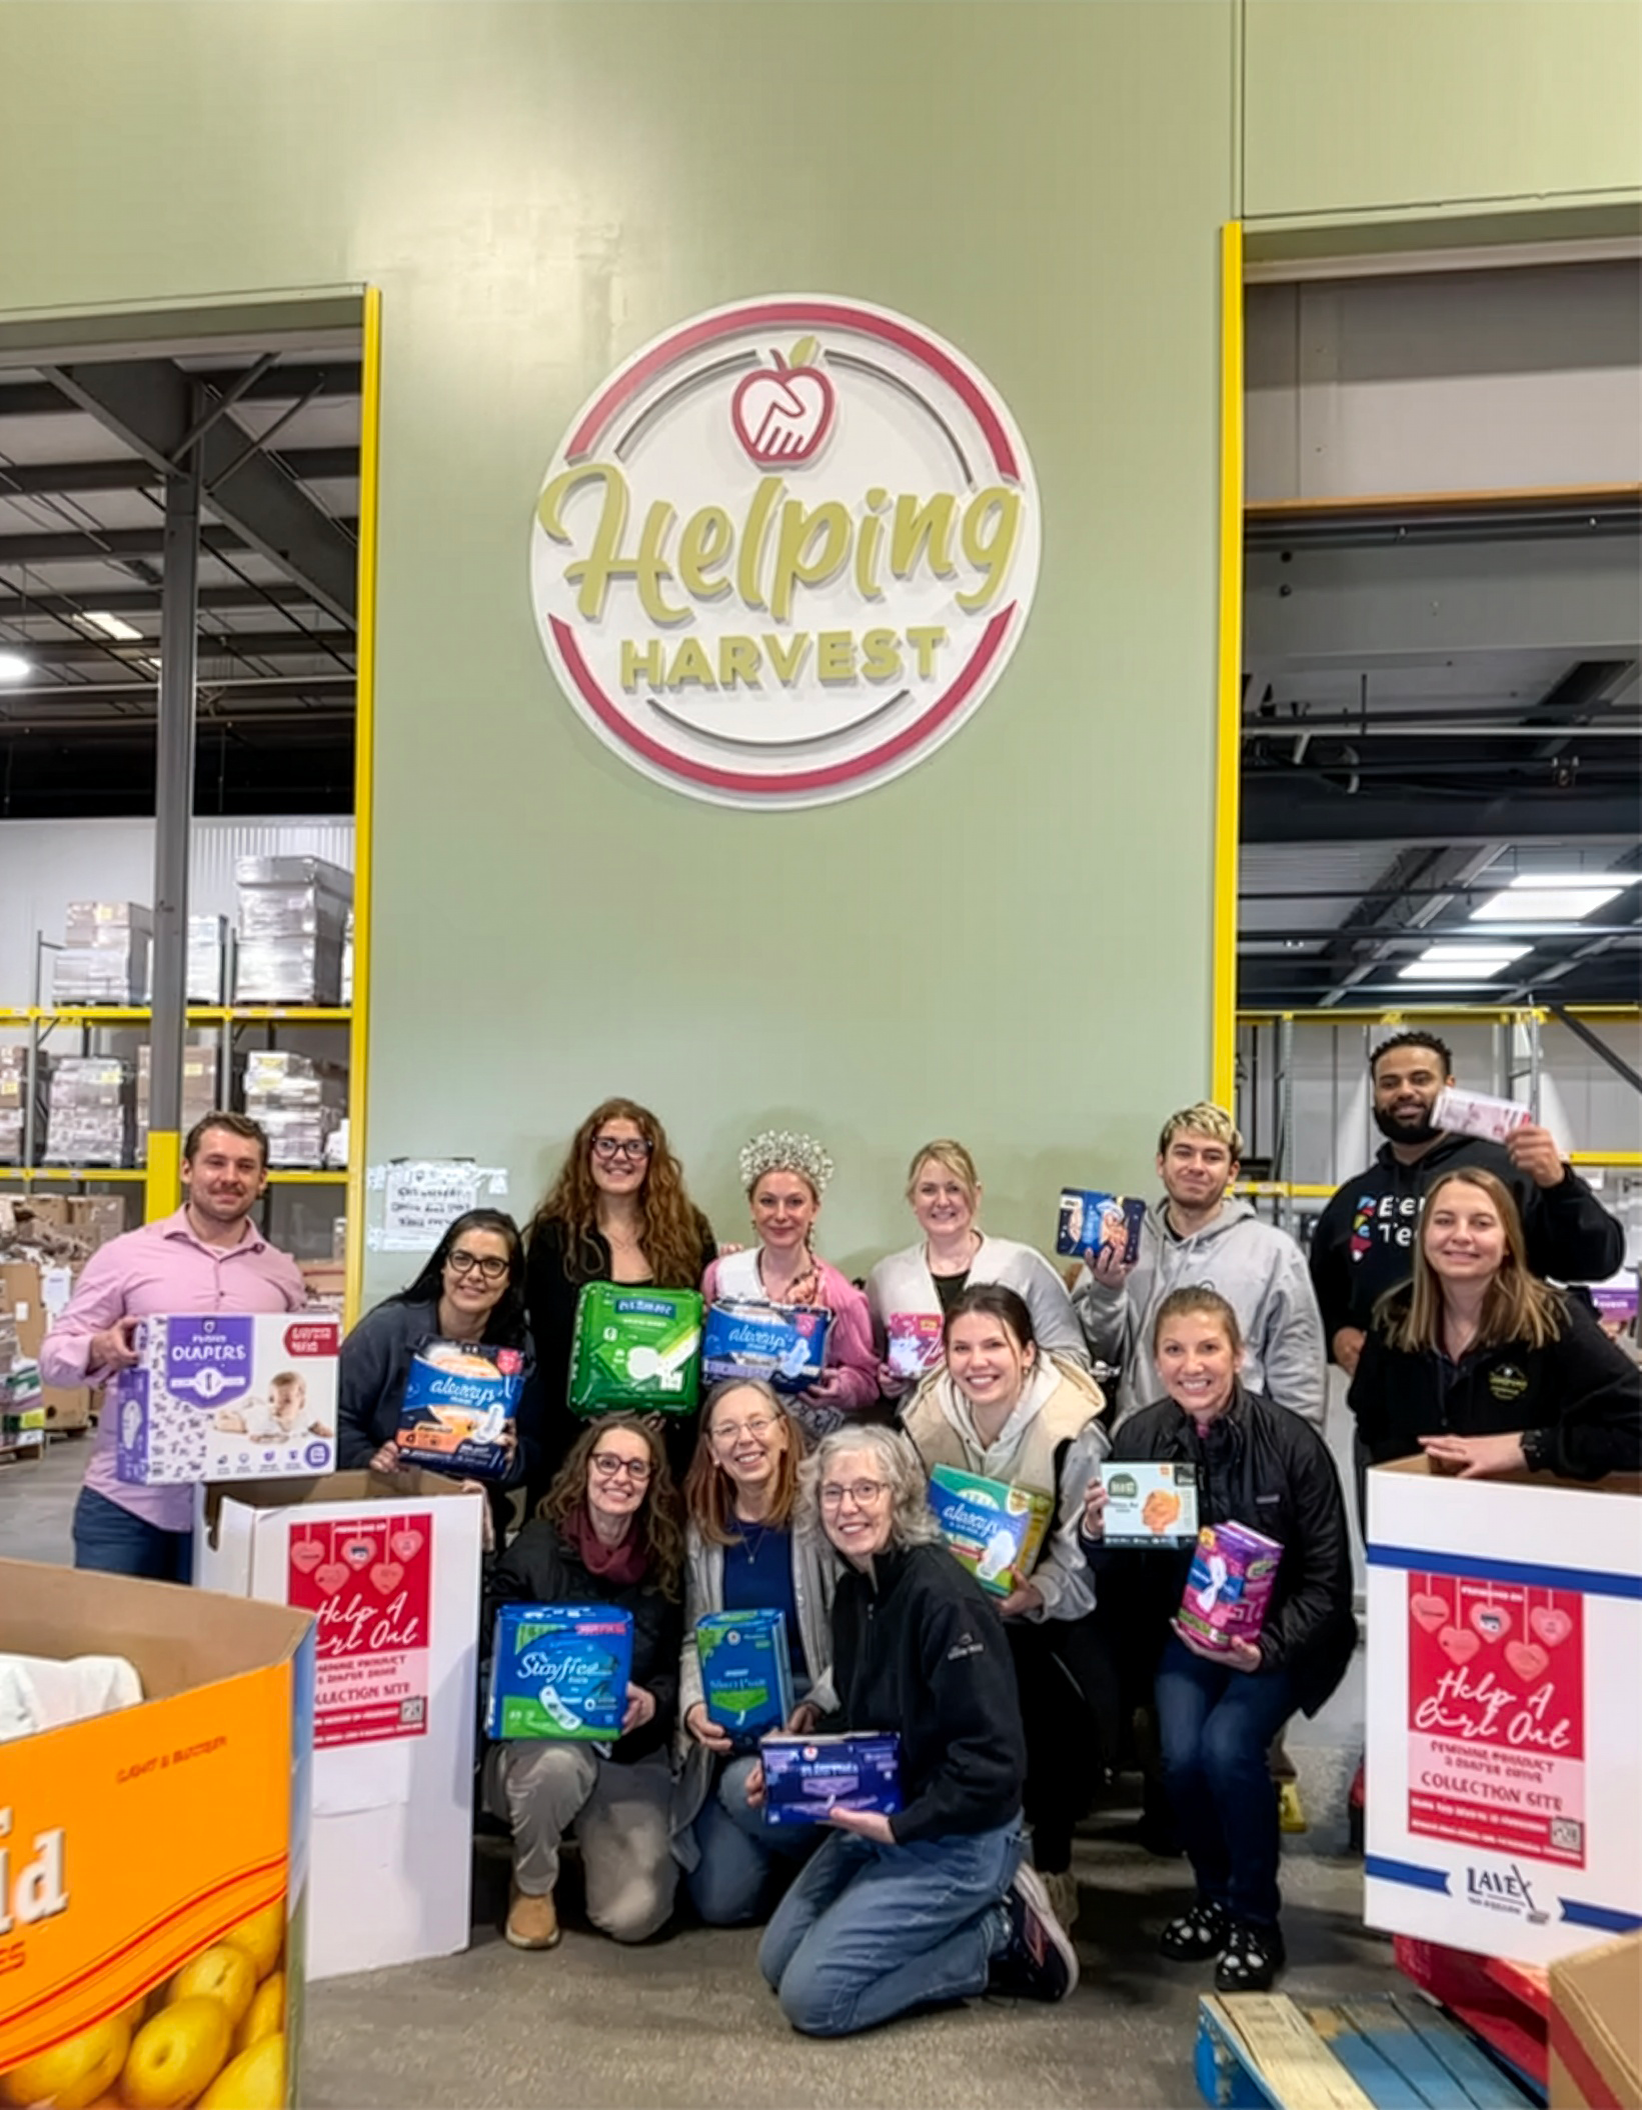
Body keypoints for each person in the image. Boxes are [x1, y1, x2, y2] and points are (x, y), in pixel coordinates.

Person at [753, 1423, 1077, 2037]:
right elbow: (866, 1723)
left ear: (900, 1497)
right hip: (891, 1815)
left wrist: (901, 1827)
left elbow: (994, 1764)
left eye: (866, 1490)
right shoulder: (855, 1592)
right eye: (833, 1493)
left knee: (813, 2001)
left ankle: (999, 1934)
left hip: (958, 1834)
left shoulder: (943, 1599)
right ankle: (953, 1915)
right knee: (776, 1962)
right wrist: (792, 1771)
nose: (848, 1507)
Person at [1079, 1287, 1355, 1992]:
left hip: (1276, 1638)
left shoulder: (1293, 1445)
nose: (1192, 1365)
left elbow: (1327, 1582)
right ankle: (1212, 1896)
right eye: (1174, 1349)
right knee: (1180, 1758)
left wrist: (1266, 1649)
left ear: (1240, 1354)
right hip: (1185, 1636)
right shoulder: (1139, 1437)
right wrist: (1095, 1532)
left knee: (1231, 1749)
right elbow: (1118, 1572)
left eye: (1208, 1348)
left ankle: (1256, 1918)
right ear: (1155, 1359)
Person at [899, 1285, 1114, 1932]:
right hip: (954, 1604)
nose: (977, 1361)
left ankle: (1051, 1859)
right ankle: (948, 1853)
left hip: (1045, 1612)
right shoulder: (920, 1423)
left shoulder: (1075, 1432)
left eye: (994, 1345)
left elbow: (1081, 1554)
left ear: (1026, 1351)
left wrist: (1038, 1593)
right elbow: (909, 1530)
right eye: (961, 1347)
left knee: (1038, 1692)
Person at [38, 1111, 304, 1584]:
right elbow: (54, 1358)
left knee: (220, 1655)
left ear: (262, 1180)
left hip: (237, 1512)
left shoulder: (281, 1273)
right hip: (127, 1505)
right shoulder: (126, 1255)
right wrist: (100, 1348)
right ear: (187, 1169)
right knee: (111, 1652)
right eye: (215, 1162)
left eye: (245, 1167)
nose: (228, 1178)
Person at [1309, 1032, 1623, 1381]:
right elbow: (1320, 1293)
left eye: (1420, 1079)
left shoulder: (1511, 1171)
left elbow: (1597, 1260)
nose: (1405, 1092)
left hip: (1505, 1389)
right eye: (1389, 1083)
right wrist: (1337, 1334)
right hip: (1392, 1409)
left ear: (1450, 1088)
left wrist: (1559, 1185)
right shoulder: (1355, 1196)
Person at [483, 1413, 685, 1951]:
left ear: (651, 1481)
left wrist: (653, 1704)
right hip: (545, 1744)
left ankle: (582, 1836)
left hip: (628, 1750)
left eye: (637, 1468)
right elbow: (492, 1652)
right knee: (553, 1768)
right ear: (584, 1468)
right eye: (608, 1462)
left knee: (635, 1916)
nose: (621, 1477)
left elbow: (672, 1670)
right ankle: (532, 1880)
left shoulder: (666, 1559)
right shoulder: (536, 1548)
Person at [1349, 1167, 1642, 1480]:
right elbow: (1372, 1425)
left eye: (1481, 1223)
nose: (1460, 1236)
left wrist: (1529, 1448)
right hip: (1423, 1514)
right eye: (1444, 1221)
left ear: (1507, 1243)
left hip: (1528, 1514)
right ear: (1423, 1237)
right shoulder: (1394, 1319)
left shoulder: (1553, 1320)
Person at [675, 1379, 838, 1924]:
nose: (745, 1439)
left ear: (785, 1434)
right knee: (722, 1903)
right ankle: (810, 1859)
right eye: (727, 1430)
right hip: (737, 1717)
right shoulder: (703, 1530)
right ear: (714, 1454)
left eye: (757, 1423)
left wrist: (817, 1704)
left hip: (812, 1706)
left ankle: (845, 1861)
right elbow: (694, 1636)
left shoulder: (824, 1519)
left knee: (737, 1790)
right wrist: (694, 1704)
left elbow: (864, 1634)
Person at [1072, 1103, 1326, 1429]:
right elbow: (1092, 1352)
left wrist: (1299, 1447)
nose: (1196, 1166)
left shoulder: (1273, 1253)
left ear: (1232, 1172)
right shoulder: (1118, 1240)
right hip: (1141, 1442)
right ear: (1161, 1164)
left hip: (1239, 1444)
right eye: (1184, 1153)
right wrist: (1107, 1290)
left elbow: (1298, 1366)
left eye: (1212, 1157)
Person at [523, 1098, 716, 1497]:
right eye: (606, 1144)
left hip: (665, 1437)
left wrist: (664, 1408)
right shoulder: (555, 1235)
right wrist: (602, 1409)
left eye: (634, 1146)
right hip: (573, 1435)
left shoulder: (690, 1232)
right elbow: (543, 1338)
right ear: (587, 1151)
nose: (619, 1157)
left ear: (652, 1156)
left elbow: (701, 1334)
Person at [336, 1209, 538, 1539]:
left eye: (492, 1265)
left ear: (510, 1279)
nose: (474, 1275)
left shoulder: (518, 1347)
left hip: (472, 1519)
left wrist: (511, 1459)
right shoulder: (388, 1328)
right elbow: (333, 1416)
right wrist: (368, 1457)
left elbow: (536, 1444)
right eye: (463, 1259)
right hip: (381, 1508)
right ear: (443, 1264)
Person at [866, 1139, 1088, 1396]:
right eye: (928, 1190)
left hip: (1016, 1426)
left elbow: (1072, 1358)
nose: (942, 1201)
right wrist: (887, 1380)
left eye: (954, 1189)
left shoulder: (1023, 1265)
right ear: (912, 1200)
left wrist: (1010, 1379)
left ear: (977, 1194)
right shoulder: (887, 1277)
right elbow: (873, 1362)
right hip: (924, 1429)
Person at [701, 1130, 878, 1442]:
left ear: (814, 1209)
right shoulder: (721, 1276)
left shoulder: (841, 1296)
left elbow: (867, 1380)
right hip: (735, 1442)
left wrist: (840, 1388)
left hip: (807, 1444)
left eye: (794, 1202)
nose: (780, 1215)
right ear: (752, 1207)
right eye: (768, 1201)